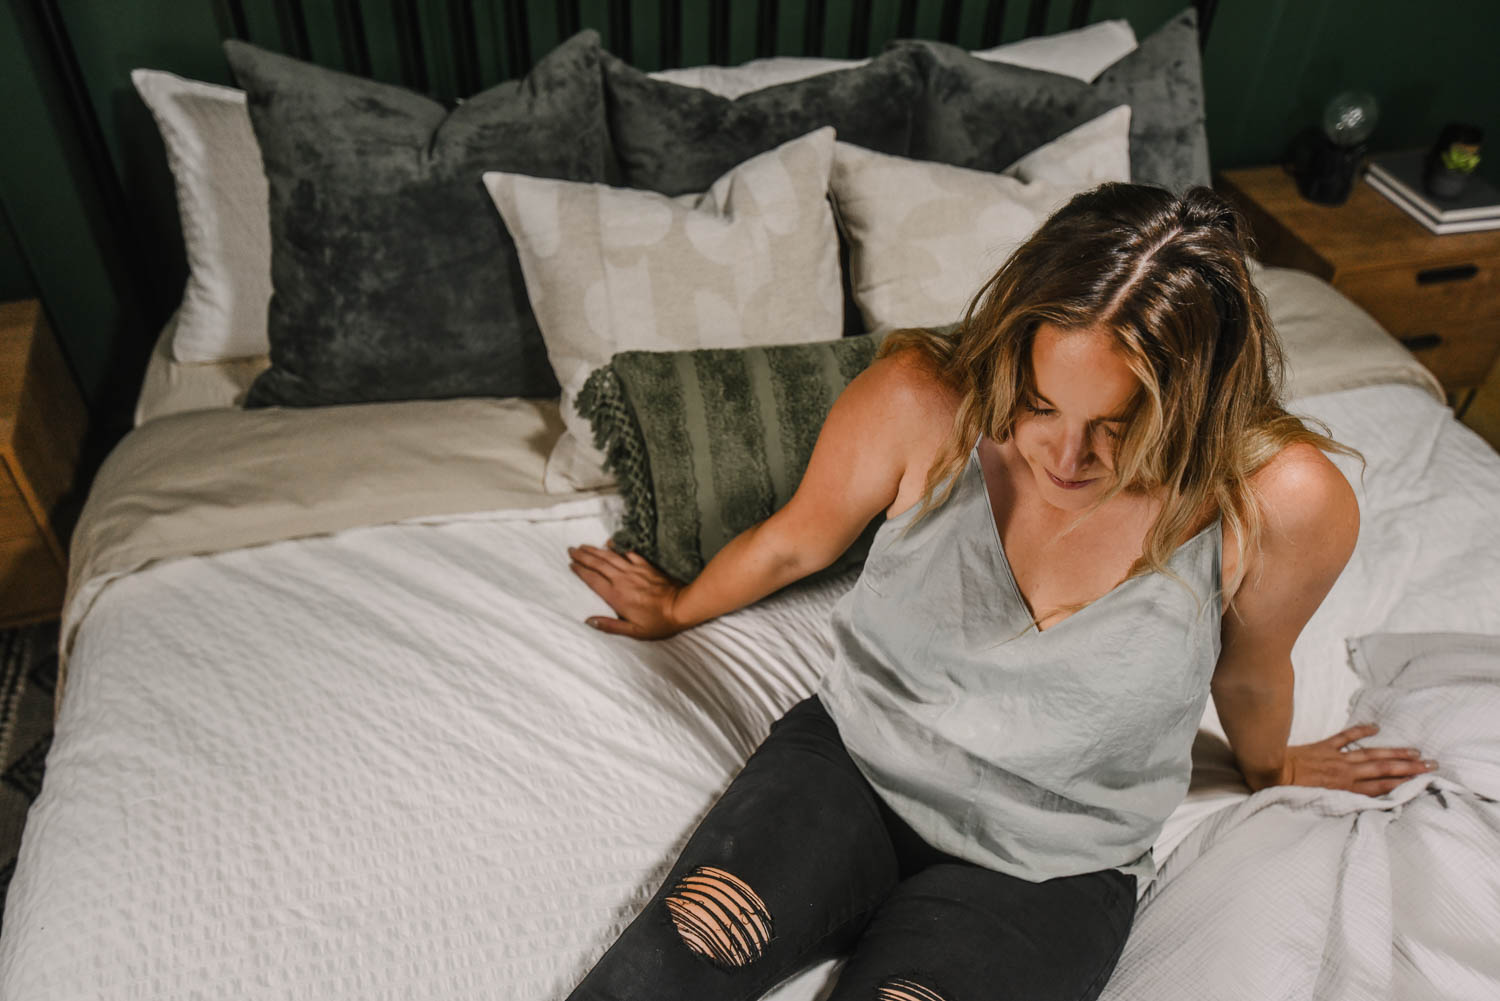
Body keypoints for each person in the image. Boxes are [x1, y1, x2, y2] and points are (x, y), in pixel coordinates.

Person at [562, 184, 1434, 1001]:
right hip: (854, 764)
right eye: (1042, 402)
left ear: (1197, 407)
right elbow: (796, 541)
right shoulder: (919, 401)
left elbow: (1248, 670)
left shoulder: (1281, 504)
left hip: (1055, 861)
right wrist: (677, 608)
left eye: (1116, 427)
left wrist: (1273, 768)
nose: (1062, 457)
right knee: (674, 959)